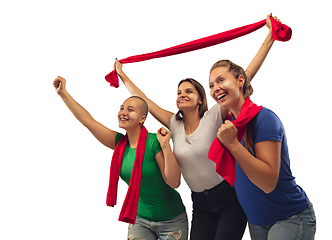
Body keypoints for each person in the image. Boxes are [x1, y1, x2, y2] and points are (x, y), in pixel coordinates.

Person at [114, 14, 279, 240]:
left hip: (230, 198)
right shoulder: (174, 123)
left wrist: (270, 38)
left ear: (200, 98)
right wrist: (123, 75)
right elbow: (146, 102)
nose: (182, 95)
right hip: (200, 204)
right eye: (179, 92)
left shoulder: (214, 117)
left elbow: (245, 76)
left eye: (188, 91)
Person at [53, 76, 188, 240]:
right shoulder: (119, 144)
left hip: (171, 220)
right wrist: (63, 93)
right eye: (122, 108)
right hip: (139, 219)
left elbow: (174, 182)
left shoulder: (154, 141)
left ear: (142, 118)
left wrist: (166, 145)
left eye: (130, 110)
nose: (123, 112)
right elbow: (88, 121)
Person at [208, 59, 316, 240]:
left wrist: (233, 144)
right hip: (257, 222)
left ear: (240, 81)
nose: (215, 88)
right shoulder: (232, 123)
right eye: (211, 85)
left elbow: (268, 182)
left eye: (221, 80)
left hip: (289, 218)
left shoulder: (264, 119)